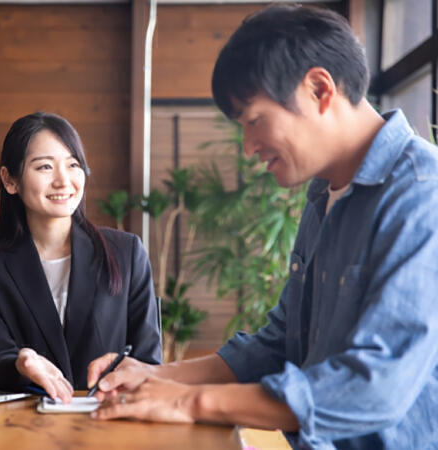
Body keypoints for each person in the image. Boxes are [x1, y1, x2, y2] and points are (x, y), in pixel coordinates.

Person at [87, 5, 438, 448]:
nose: (249, 147)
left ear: (318, 89)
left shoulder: (423, 195)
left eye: (254, 121)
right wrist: (157, 376)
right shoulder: (324, 195)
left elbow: (375, 385)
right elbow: (279, 344)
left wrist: (188, 402)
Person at [0, 112, 161, 403]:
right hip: (22, 429)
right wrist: (21, 363)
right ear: (10, 180)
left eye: (73, 164)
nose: (63, 180)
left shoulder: (126, 252)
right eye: (44, 166)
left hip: (108, 425)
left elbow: (149, 361)